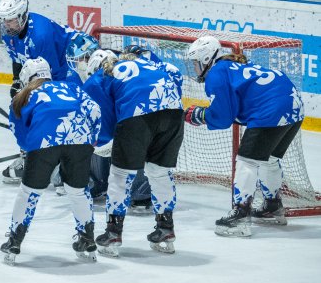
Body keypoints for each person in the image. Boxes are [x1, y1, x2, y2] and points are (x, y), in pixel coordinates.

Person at [186, 36, 304, 237]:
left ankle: (240, 215)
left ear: (207, 60)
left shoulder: (216, 73)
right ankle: (272, 205)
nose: (194, 69)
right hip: (294, 106)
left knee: (246, 161)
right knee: (270, 160)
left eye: (196, 63)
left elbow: (222, 117)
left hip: (271, 110)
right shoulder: (233, 64)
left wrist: (199, 115)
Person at [83, 46, 184, 257]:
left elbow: (105, 121)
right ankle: (166, 229)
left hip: (137, 115)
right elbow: (175, 73)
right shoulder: (148, 63)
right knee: (159, 172)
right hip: (174, 112)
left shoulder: (98, 79)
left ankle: (113, 233)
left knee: (120, 175)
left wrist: (101, 143)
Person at [0, 58, 101, 264]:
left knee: (29, 193)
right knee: (78, 192)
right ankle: (87, 238)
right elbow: (95, 110)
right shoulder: (72, 86)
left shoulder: (25, 95)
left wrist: (29, 149)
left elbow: (18, 131)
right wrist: (92, 139)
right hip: (80, 141)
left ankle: (14, 240)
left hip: (44, 141)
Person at [0, 0, 97, 183]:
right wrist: (18, 82)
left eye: (10, 21)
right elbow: (19, 60)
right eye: (4, 21)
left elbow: (48, 77)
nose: (6, 25)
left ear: (22, 16)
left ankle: (70, 164)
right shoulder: (9, 34)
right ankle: (32, 155)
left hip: (73, 59)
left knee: (63, 109)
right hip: (53, 64)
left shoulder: (40, 35)